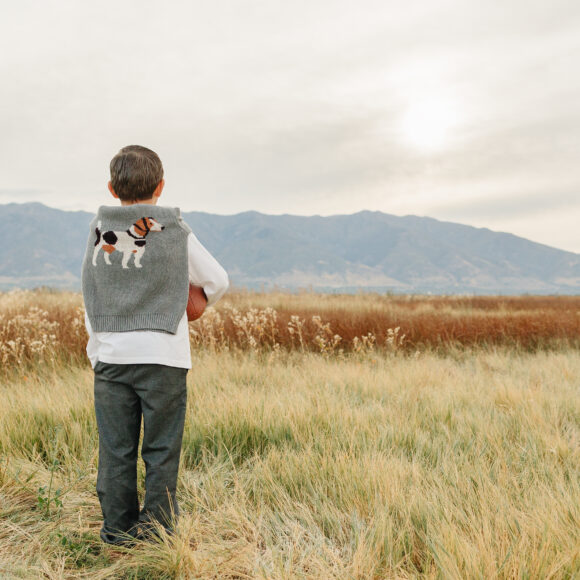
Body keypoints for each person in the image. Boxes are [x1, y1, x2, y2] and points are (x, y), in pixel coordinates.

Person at [81, 145, 229, 545]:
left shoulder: (98, 231)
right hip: (165, 357)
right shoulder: (174, 229)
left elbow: (90, 296)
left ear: (112, 189)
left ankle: (117, 532)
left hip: (111, 358)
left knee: (116, 450)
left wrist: (98, 351)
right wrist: (191, 305)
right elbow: (217, 280)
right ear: (161, 186)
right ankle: (158, 533)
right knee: (161, 450)